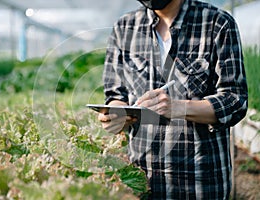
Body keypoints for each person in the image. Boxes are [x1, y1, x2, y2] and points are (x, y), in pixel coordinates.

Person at [98, 0, 248, 199]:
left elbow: (235, 100)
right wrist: (116, 113)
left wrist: (177, 107)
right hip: (143, 179)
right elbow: (116, 94)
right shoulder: (124, 28)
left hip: (199, 181)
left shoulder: (217, 23)